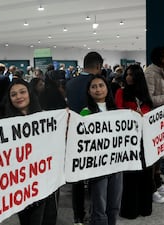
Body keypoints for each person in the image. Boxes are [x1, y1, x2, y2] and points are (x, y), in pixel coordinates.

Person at [66, 51, 104, 225]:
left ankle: (78, 217)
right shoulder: (96, 83)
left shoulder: (70, 82)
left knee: (78, 179)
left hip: (75, 135)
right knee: (97, 177)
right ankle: (95, 213)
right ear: (98, 66)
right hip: (96, 135)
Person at [2, 79, 47, 225]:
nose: (18, 97)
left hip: (43, 179)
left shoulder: (46, 117)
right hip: (20, 183)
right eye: (13, 94)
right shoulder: (4, 124)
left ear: (30, 93)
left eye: (22, 92)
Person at [80, 74, 122, 225]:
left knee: (114, 204)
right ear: (89, 91)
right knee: (99, 205)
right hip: (98, 166)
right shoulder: (85, 112)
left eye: (101, 85)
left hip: (117, 164)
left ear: (107, 88)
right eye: (94, 87)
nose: (98, 89)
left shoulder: (117, 110)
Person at [115, 64, 153, 219]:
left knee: (145, 174)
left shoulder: (144, 94)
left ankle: (145, 207)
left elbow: (150, 111)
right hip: (129, 141)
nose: (128, 77)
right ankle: (130, 209)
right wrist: (132, 114)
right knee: (131, 175)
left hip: (145, 140)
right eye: (127, 74)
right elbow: (118, 112)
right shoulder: (121, 92)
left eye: (132, 75)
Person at [144, 46, 164, 204]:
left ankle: (158, 182)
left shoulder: (163, 72)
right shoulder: (150, 73)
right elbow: (150, 98)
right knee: (153, 157)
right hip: (154, 120)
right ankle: (151, 190)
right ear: (160, 58)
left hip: (163, 119)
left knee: (159, 155)